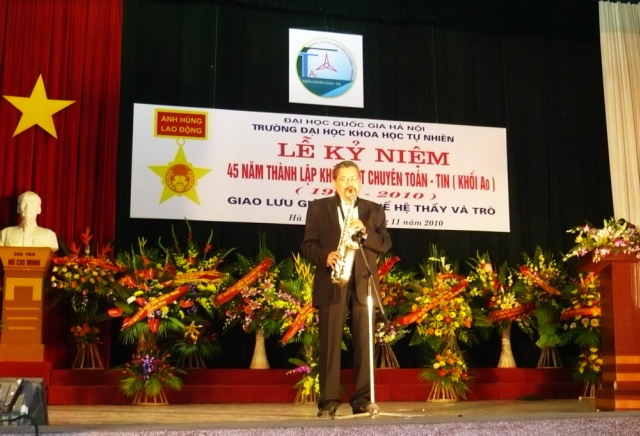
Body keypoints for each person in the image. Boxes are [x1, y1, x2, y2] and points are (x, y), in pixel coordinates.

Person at [301, 160, 391, 417]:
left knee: (364, 344)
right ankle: (329, 401)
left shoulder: (373, 210)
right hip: (333, 280)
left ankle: (362, 400)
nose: (350, 183)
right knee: (330, 344)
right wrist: (325, 256)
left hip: (363, 283)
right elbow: (308, 244)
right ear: (334, 182)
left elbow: (385, 244)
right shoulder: (319, 208)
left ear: (360, 181)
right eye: (344, 179)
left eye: (354, 178)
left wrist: (365, 233)